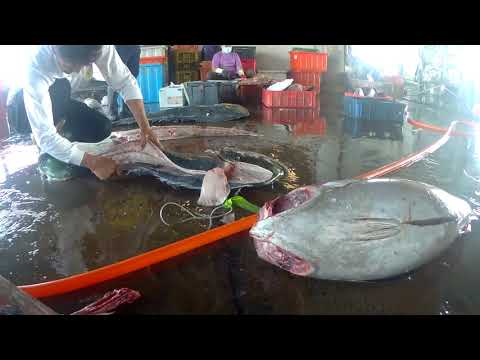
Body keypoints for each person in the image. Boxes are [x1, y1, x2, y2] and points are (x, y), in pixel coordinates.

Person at [7, 45, 161, 182]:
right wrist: (93, 162)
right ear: (54, 48)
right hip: (21, 110)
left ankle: (63, 137)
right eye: (70, 64)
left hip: (62, 100)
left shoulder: (98, 47)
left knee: (102, 127)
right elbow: (45, 136)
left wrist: (145, 128)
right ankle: (49, 151)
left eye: (82, 64)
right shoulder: (36, 66)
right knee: (59, 88)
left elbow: (125, 82)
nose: (76, 70)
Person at [107, 45, 141, 120]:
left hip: (135, 47)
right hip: (120, 47)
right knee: (115, 77)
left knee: (132, 76)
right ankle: (112, 111)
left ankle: (126, 110)